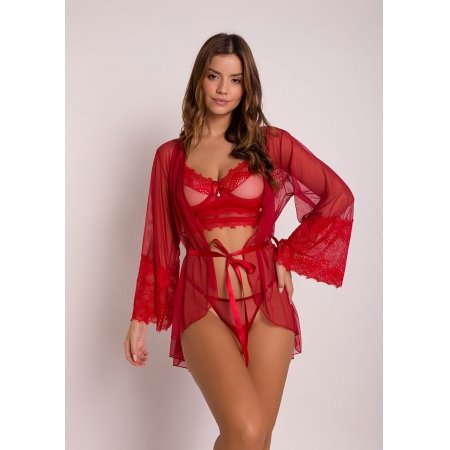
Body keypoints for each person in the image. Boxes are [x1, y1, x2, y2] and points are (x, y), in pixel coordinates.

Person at [124, 33, 354, 450]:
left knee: (258, 438)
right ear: (199, 79)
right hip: (202, 302)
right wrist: (140, 318)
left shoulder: (270, 143)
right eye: (214, 76)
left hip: (267, 297)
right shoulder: (170, 157)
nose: (223, 89)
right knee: (245, 428)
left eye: (235, 80)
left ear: (247, 87)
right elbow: (159, 242)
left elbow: (337, 196)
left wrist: (288, 254)